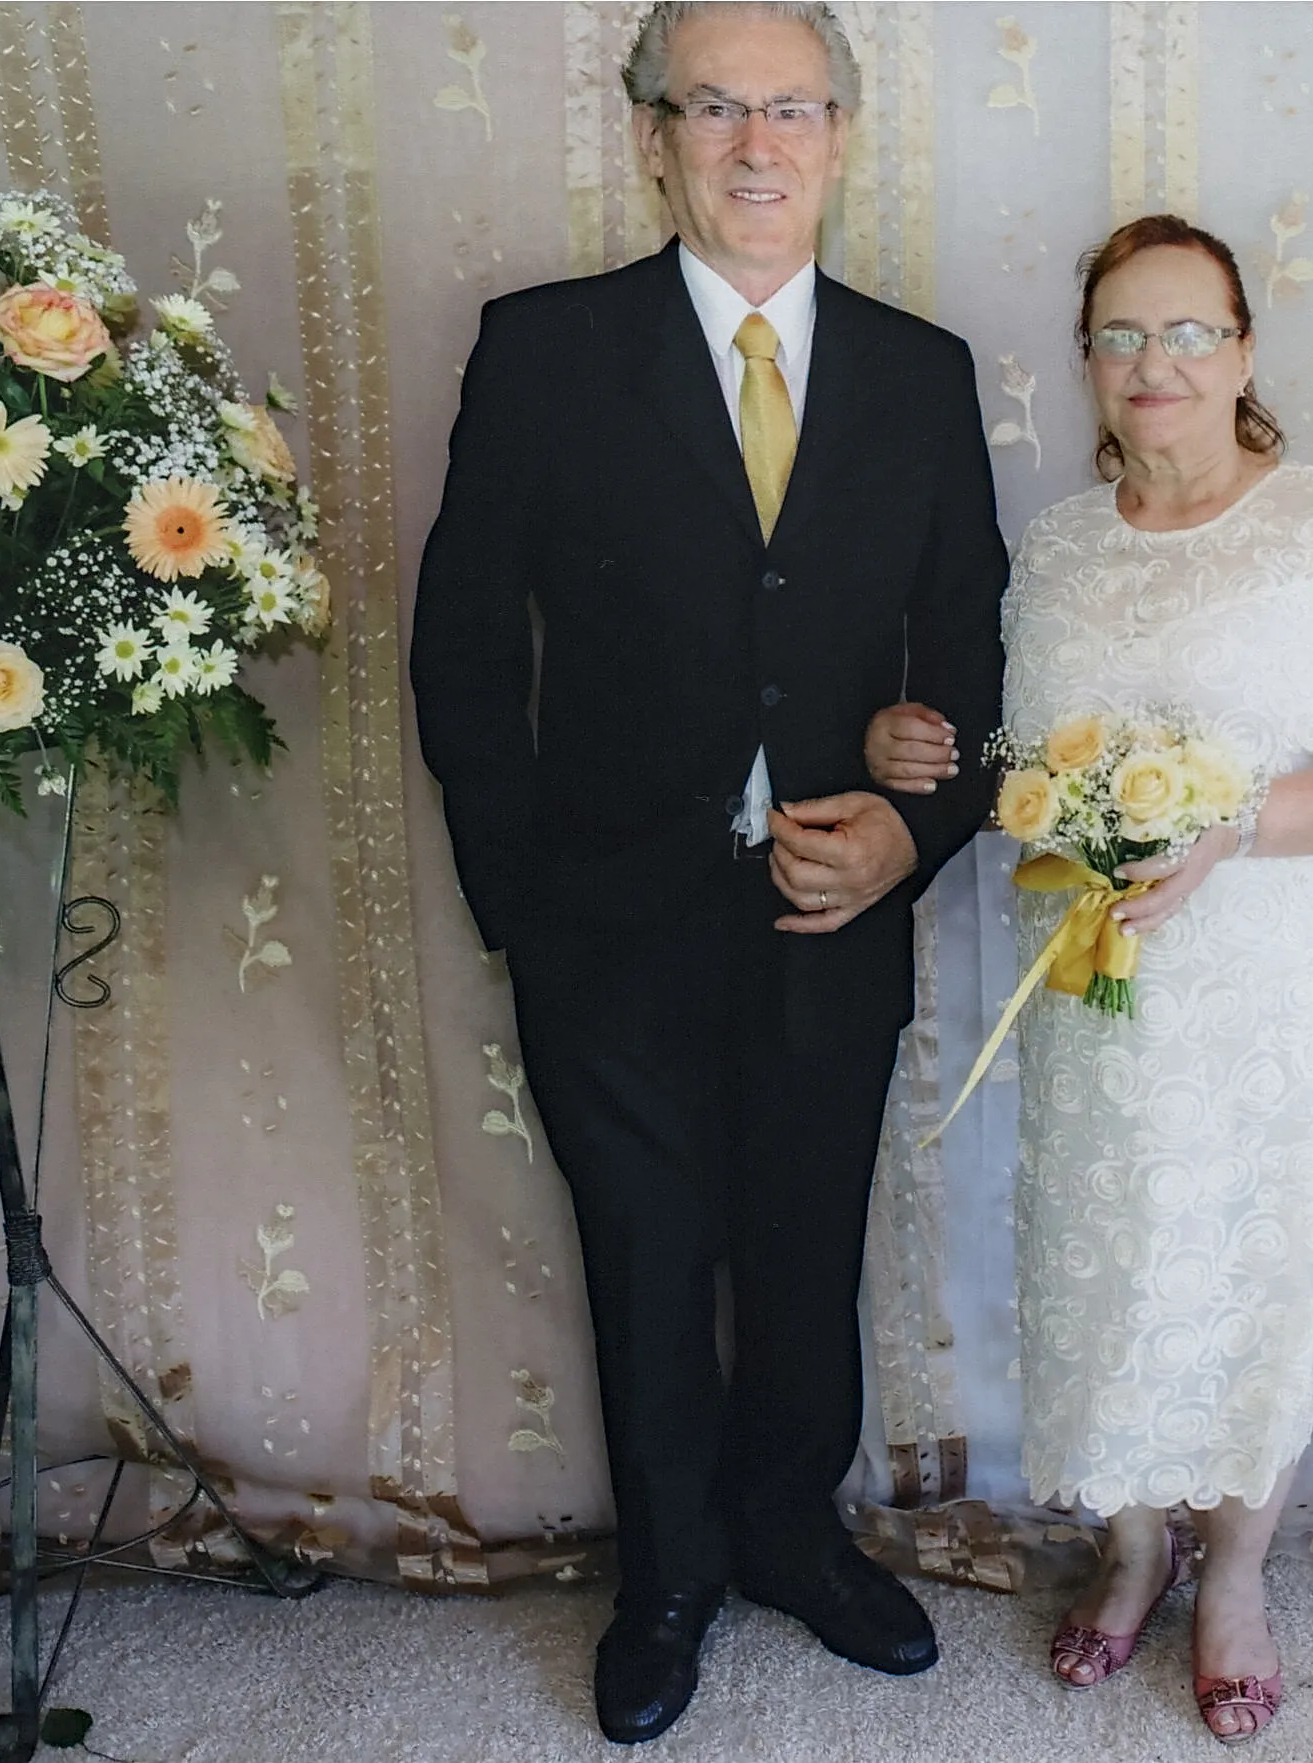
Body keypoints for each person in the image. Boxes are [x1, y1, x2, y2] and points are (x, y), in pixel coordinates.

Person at [409, 1, 1005, 1744]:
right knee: (648, 1252)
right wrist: (519, 894)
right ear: (652, 131)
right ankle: (664, 1570)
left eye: (796, 108)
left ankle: (788, 1537)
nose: (760, 143)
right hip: (607, 916)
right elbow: (461, 651)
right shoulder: (543, 350)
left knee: (808, 1246)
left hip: (838, 907)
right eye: (719, 106)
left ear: (842, 133)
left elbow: (968, 651)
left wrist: (916, 829)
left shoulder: (922, 370)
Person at [864, 214, 1313, 1745]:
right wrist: (930, 756)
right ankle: (1130, 1550)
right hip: (1098, 993)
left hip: (1277, 995)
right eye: (1122, 336)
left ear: (1246, 350)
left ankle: (1238, 1577)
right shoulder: (1059, 547)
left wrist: (1235, 819)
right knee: (1109, 1270)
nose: (1156, 364)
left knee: (1256, 1273)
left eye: (1190, 331)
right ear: (1087, 362)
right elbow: (1025, 768)